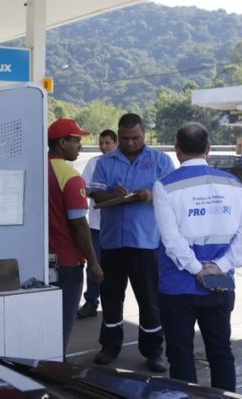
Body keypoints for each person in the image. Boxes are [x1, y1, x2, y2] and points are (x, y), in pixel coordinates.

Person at [153, 122, 242, 391]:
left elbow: (171, 240)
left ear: (177, 150)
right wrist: (218, 267)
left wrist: (197, 268)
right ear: (208, 149)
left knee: (181, 354)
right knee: (221, 352)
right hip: (219, 285)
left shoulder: (164, 186)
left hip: (178, 288)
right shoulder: (233, 184)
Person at [90, 113, 174, 373]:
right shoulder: (105, 163)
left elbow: (172, 197)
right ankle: (110, 346)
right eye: (125, 138)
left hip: (146, 244)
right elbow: (96, 195)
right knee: (111, 298)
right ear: (118, 135)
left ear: (144, 134)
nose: (129, 143)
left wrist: (151, 195)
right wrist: (111, 194)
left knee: (149, 300)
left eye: (135, 138)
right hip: (112, 242)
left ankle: (153, 351)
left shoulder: (160, 161)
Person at [47, 118, 104, 354]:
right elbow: (80, 225)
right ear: (62, 142)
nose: (80, 146)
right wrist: (94, 263)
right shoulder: (71, 177)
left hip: (36, 259)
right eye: (76, 141)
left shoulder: (35, 166)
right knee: (60, 327)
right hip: (67, 264)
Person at [77, 129, 118, 319]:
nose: (103, 147)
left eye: (107, 143)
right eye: (101, 143)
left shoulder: (122, 163)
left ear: (116, 143)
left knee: (117, 267)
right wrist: (99, 193)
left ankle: (113, 301)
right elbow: (84, 188)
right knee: (94, 264)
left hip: (117, 226)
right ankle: (92, 301)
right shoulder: (94, 163)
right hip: (96, 224)